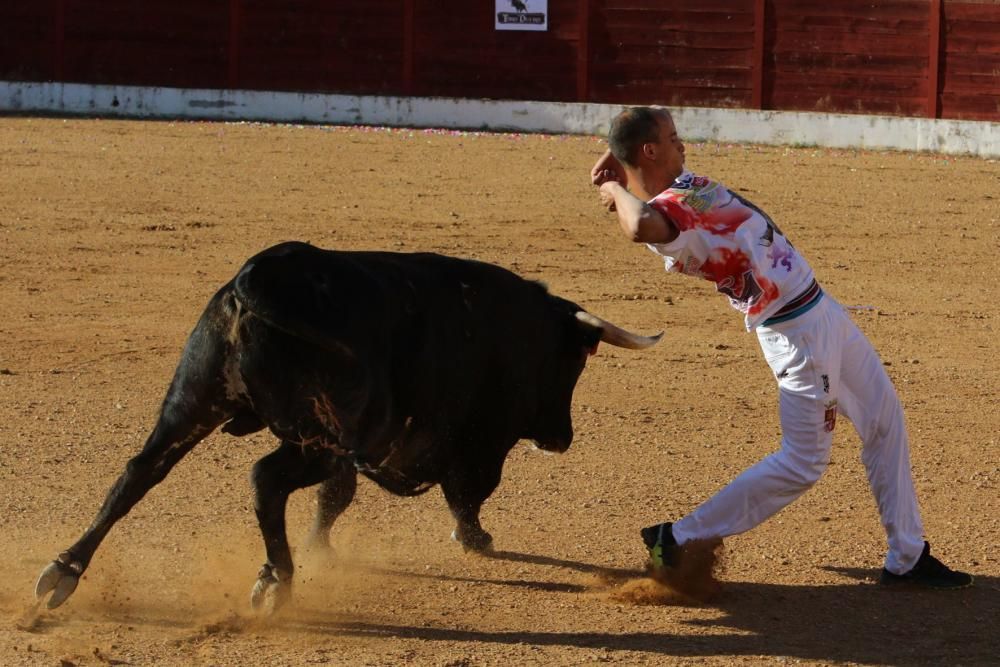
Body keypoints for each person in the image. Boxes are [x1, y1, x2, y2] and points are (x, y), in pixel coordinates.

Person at [591, 106, 972, 589]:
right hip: (795, 332)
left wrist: (614, 157)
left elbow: (634, 141)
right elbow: (638, 224)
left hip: (819, 308)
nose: (682, 142)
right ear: (651, 151)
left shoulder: (683, 185)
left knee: (884, 418)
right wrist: (614, 186)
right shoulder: (667, 218)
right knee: (803, 461)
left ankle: (908, 556)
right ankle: (679, 536)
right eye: (672, 137)